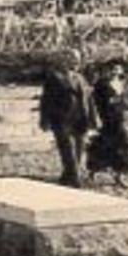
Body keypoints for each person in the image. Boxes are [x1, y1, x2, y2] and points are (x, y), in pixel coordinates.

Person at [38, 49, 98, 188]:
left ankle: (67, 176)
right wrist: (44, 119)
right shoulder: (54, 77)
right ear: (63, 61)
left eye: (77, 59)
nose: (76, 62)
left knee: (79, 149)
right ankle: (76, 179)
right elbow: (46, 100)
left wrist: (93, 118)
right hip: (61, 118)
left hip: (80, 118)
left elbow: (89, 100)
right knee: (67, 148)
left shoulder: (80, 77)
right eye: (72, 59)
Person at [87, 59, 128, 188]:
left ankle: (119, 175)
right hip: (107, 119)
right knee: (103, 145)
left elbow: (126, 105)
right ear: (108, 70)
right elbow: (94, 103)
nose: (115, 71)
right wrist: (96, 119)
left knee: (123, 145)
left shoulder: (121, 84)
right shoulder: (101, 85)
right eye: (113, 69)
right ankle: (94, 171)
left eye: (118, 69)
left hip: (120, 119)